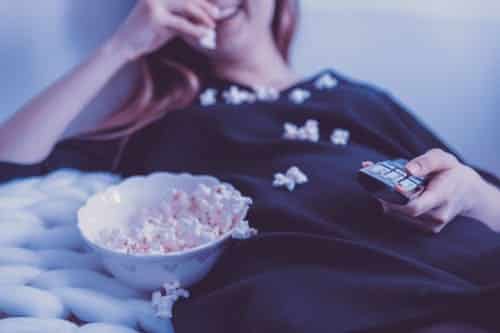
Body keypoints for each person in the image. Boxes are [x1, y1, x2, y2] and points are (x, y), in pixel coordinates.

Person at [0, 0, 499, 332]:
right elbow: (11, 164)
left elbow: (485, 201)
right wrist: (120, 47)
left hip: (453, 263)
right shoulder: (169, 119)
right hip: (313, 291)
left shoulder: (358, 99)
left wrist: (471, 192)